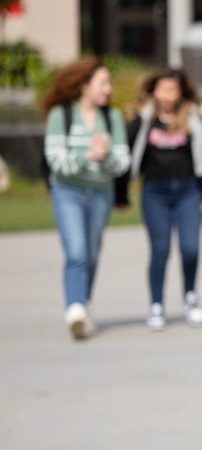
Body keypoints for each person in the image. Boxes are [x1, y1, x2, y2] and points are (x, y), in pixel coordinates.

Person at [117, 68, 202, 330]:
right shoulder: (144, 119)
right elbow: (125, 155)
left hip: (188, 191)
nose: (166, 95)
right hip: (155, 192)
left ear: (181, 92)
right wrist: (121, 193)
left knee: (190, 248)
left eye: (172, 90)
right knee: (160, 250)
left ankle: (191, 297)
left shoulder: (193, 118)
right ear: (154, 91)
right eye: (162, 89)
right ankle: (156, 305)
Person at [39, 56, 131, 339]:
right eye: (103, 83)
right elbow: (56, 160)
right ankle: (75, 308)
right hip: (68, 191)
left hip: (100, 192)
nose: (108, 89)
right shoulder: (60, 115)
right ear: (84, 85)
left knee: (91, 254)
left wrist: (103, 159)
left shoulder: (111, 117)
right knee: (76, 251)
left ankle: (85, 303)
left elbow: (123, 162)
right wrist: (87, 155)